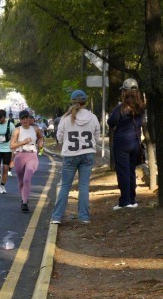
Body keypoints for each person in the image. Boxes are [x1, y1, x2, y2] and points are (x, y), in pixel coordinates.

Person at [50, 90, 101, 225]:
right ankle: (84, 217)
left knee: (65, 186)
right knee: (84, 186)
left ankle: (57, 217)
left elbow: (60, 137)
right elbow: (96, 136)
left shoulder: (65, 119)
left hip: (70, 156)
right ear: (85, 102)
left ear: (72, 102)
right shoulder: (93, 117)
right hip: (87, 154)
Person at [107, 78, 146, 209]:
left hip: (121, 143)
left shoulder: (121, 108)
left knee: (123, 172)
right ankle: (132, 199)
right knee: (130, 171)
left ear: (124, 92)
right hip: (135, 143)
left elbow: (111, 122)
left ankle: (125, 201)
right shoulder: (141, 107)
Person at [9, 110, 44, 213]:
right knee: (21, 182)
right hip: (20, 156)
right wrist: (23, 142)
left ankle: (24, 203)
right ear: (20, 120)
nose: (25, 120)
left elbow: (41, 137)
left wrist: (40, 142)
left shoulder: (35, 129)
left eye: (27, 118)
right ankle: (24, 198)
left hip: (32, 156)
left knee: (27, 179)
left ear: (30, 118)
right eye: (23, 118)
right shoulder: (17, 130)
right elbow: (12, 145)